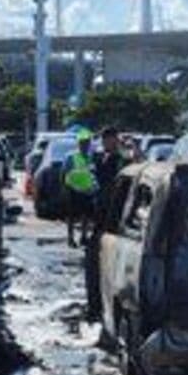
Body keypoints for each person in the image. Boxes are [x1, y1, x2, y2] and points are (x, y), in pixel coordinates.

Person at [85, 128, 128, 322]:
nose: (104, 143)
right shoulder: (102, 158)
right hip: (102, 214)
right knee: (94, 263)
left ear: (114, 140)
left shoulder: (119, 159)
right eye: (103, 140)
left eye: (107, 140)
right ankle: (95, 306)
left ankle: (99, 307)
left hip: (115, 218)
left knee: (102, 264)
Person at [63, 130, 97, 248]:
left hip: (87, 190)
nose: (85, 145)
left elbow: (93, 173)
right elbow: (64, 174)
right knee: (72, 216)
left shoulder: (91, 157)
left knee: (85, 215)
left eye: (87, 143)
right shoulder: (71, 157)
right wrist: (66, 188)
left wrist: (93, 187)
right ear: (78, 143)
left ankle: (83, 237)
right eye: (83, 143)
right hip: (73, 190)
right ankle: (70, 238)